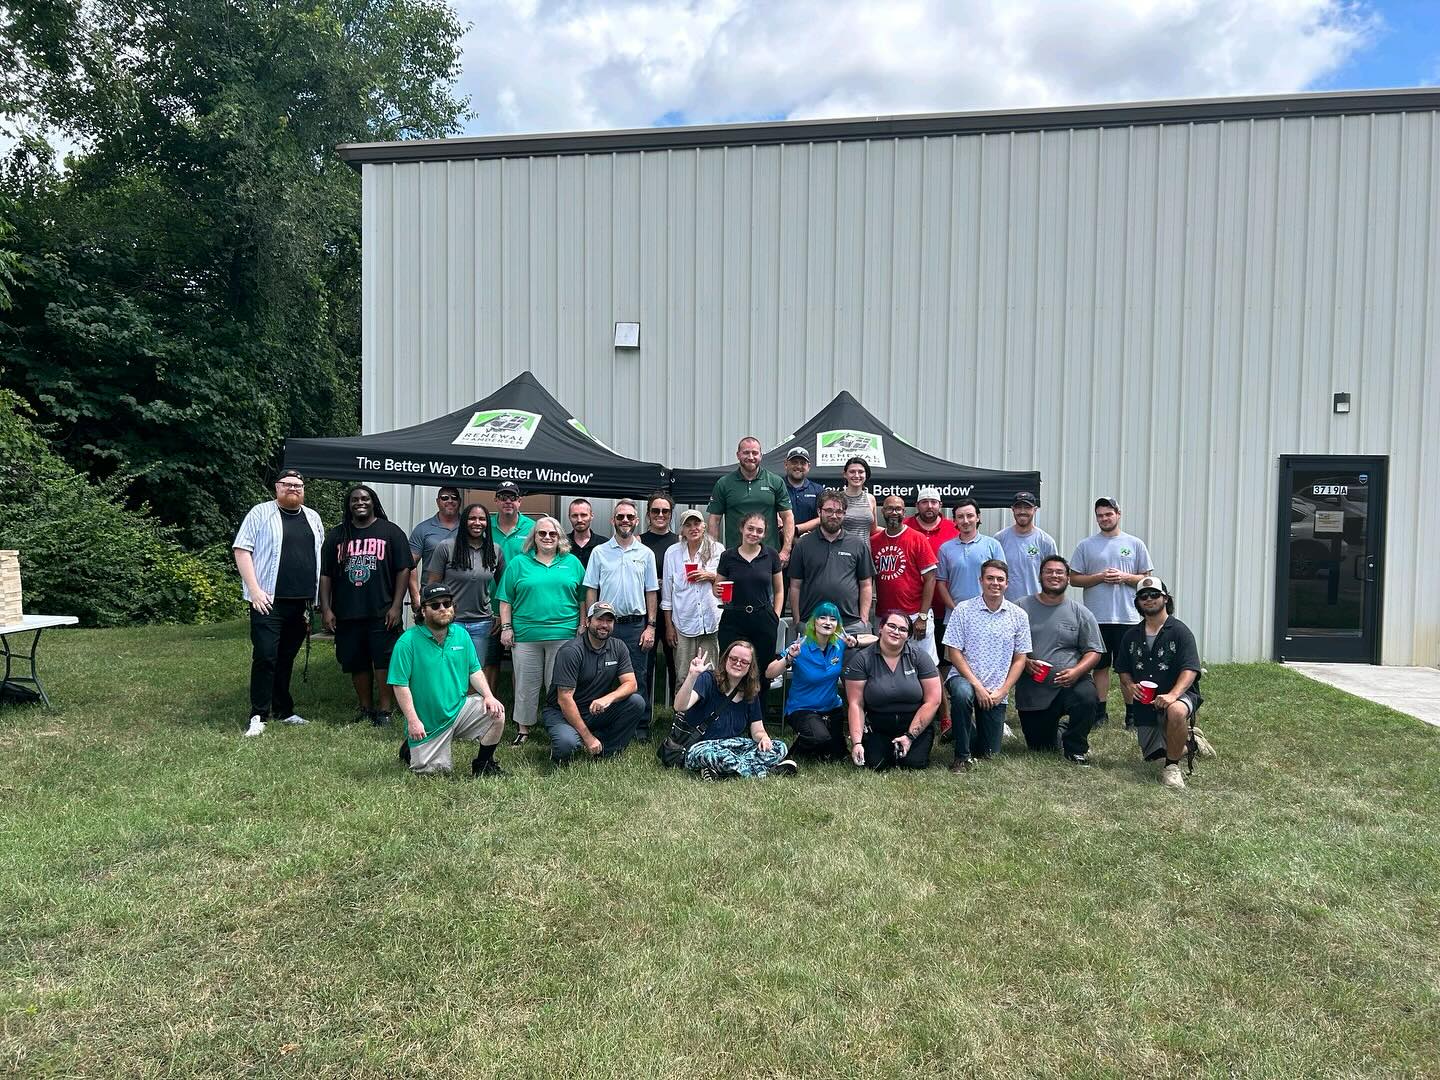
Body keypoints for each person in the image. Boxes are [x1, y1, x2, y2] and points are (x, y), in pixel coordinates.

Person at [232, 469, 325, 737]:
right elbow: (242, 549)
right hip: (268, 601)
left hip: (302, 603)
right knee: (265, 656)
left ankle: (284, 710)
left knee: (285, 658)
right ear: (277, 487)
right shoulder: (260, 513)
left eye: (298, 485)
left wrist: (318, 599)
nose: (293, 489)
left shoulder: (312, 517)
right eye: (287, 484)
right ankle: (258, 714)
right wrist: (255, 590)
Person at [319, 485, 414, 727]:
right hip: (347, 612)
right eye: (354, 499)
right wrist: (327, 608)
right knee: (355, 661)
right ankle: (365, 707)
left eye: (365, 498)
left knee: (384, 661)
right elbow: (326, 574)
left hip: (382, 611)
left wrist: (396, 606)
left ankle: (384, 710)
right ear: (348, 505)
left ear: (374, 502)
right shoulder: (337, 535)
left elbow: (404, 568)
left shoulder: (390, 532)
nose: (360, 502)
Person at [391, 582, 507, 777]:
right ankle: (411, 748)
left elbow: (475, 670)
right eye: (435, 606)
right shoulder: (407, 642)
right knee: (435, 773)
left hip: (459, 709)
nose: (443, 609)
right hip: (429, 722)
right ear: (423, 611)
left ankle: (483, 764)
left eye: (447, 603)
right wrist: (413, 721)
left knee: (496, 714)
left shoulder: (461, 635)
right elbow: (400, 685)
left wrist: (488, 696)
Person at [1114, 577, 1216, 790]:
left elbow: (1191, 669)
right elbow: (1123, 669)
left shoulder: (1180, 631)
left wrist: (1173, 695)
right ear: (1138, 602)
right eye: (1143, 596)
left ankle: (1172, 769)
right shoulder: (1131, 636)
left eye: (1154, 595)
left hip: (1179, 694)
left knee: (1177, 712)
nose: (1149, 599)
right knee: (1154, 755)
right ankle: (1191, 741)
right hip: (1146, 701)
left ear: (1165, 598)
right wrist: (1130, 686)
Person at [495, 517, 585, 746]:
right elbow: (505, 600)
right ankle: (523, 729)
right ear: (533, 537)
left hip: (563, 634)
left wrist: (583, 624)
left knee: (559, 685)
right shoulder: (518, 563)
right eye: (542, 533)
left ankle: (557, 727)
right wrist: (506, 628)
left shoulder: (572, 562)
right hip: (526, 635)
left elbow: (584, 598)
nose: (547, 537)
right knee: (526, 684)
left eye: (552, 534)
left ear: (560, 538)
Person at [1069, 497, 1154, 727]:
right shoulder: (1086, 545)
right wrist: (1099, 577)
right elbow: (1074, 579)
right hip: (1096, 617)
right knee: (1100, 666)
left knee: (1128, 669)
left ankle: (1132, 713)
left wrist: (1125, 578)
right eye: (1100, 515)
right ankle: (1100, 712)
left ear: (1118, 514)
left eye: (1108, 514)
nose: (1104, 519)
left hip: (1128, 617)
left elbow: (1147, 580)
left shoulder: (1135, 543)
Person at [942, 559, 1031, 771]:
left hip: (996, 690)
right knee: (963, 695)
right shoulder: (964, 610)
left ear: (1007, 584)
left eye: (1000, 579)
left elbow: (1020, 658)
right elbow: (953, 651)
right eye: (990, 578)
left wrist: (1003, 690)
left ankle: (961, 728)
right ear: (980, 580)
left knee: (989, 752)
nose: (995, 583)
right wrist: (977, 686)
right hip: (964, 679)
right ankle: (961, 758)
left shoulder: (1018, 615)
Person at [1014, 556, 1103, 765]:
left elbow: (1094, 651)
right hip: (1033, 690)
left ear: (1068, 577)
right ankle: (1060, 729)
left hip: (1070, 684)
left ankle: (1075, 748)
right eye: (1049, 571)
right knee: (1041, 748)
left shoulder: (1081, 613)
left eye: (1059, 572)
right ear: (1040, 576)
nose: (1054, 575)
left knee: (1087, 697)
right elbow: (1006, 645)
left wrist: (1077, 672)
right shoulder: (1020, 608)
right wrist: (1025, 662)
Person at [583, 499, 660, 739]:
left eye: (629, 517)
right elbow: (591, 589)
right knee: (601, 677)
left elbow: (651, 591)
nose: (625, 520)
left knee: (638, 676)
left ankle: (640, 726)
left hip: (636, 626)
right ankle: (603, 722)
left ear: (637, 521)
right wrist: (589, 620)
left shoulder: (645, 553)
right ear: (612, 520)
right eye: (620, 517)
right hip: (606, 625)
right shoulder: (600, 552)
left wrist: (651, 626)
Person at [764, 602, 872, 761]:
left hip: (832, 708)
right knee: (819, 738)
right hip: (802, 709)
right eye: (822, 617)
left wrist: (855, 641)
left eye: (833, 619)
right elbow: (769, 672)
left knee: (836, 755)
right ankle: (790, 759)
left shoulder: (840, 644)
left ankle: (820, 746)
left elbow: (875, 638)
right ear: (814, 623)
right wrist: (789, 657)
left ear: (837, 625)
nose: (828, 622)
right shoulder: (800, 646)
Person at [541, 601, 646, 763]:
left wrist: (608, 698)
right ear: (588, 622)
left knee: (636, 701)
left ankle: (606, 751)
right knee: (566, 745)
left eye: (609, 621)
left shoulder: (618, 647)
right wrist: (588, 738)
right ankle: (579, 740)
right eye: (599, 619)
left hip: (594, 709)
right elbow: (564, 699)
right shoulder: (571, 651)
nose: (604, 625)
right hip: (562, 712)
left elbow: (631, 684)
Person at [674, 641, 795, 779]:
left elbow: (757, 731)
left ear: (750, 667)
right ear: (725, 659)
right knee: (714, 756)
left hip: (733, 746)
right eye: (733, 659)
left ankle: (720, 771)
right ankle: (764, 771)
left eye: (744, 662)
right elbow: (679, 706)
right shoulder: (707, 680)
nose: (738, 664)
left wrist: (765, 738)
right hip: (701, 747)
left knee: (780, 747)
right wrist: (692, 676)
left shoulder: (751, 692)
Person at [842, 611, 943, 770]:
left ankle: (909, 743)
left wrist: (910, 736)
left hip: (914, 724)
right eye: (892, 626)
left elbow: (933, 700)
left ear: (908, 636)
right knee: (876, 765)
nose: (896, 632)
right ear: (881, 628)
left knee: (913, 764)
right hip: (879, 725)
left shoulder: (920, 657)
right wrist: (857, 743)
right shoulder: (861, 659)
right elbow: (856, 704)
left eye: (902, 629)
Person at [787, 490, 875, 634]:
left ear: (844, 514)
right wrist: (798, 620)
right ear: (819, 511)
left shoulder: (858, 544)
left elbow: (866, 584)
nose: (834, 515)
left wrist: (863, 619)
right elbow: (795, 586)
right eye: (829, 510)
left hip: (850, 624)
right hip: (811, 623)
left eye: (839, 511)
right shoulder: (803, 544)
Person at [426, 502, 502, 669]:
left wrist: (501, 615)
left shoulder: (494, 550)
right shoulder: (446, 547)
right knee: (449, 669)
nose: (477, 522)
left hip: (482, 623)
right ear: (463, 521)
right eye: (472, 518)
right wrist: (432, 616)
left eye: (482, 519)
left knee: (475, 671)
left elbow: (505, 587)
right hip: (451, 621)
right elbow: (432, 586)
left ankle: (473, 697)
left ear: (487, 523)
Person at [870, 495, 939, 660]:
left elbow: (931, 579)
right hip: (884, 616)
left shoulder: (917, 538)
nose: (894, 512)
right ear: (883, 511)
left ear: (904, 512)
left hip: (914, 616)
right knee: (886, 663)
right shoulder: (873, 541)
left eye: (898, 509)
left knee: (925, 667)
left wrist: (922, 617)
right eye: (890, 508)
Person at [707, 435, 795, 563]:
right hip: (735, 557)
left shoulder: (775, 481)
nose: (751, 457)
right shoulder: (724, 483)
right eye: (746, 453)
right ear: (738, 455)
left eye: (755, 453)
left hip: (768, 557)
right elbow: (714, 520)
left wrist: (786, 551)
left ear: (761, 455)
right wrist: (713, 553)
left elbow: (788, 517)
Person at [661, 509, 723, 678]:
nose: (693, 528)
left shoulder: (717, 549)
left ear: (704, 526)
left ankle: (708, 705)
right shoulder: (672, 553)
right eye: (688, 525)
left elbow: (727, 583)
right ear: (682, 530)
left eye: (697, 524)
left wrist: (710, 576)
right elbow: (667, 596)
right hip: (684, 623)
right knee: (683, 676)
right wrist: (669, 627)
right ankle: (682, 705)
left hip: (711, 622)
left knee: (710, 675)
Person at [715, 512, 784, 659]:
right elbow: (717, 588)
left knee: (763, 668)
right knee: (730, 666)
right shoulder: (727, 556)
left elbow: (779, 590)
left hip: (763, 619)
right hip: (733, 619)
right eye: (750, 528)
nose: (754, 533)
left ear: (764, 534)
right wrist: (718, 591)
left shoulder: (771, 555)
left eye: (759, 531)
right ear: (742, 528)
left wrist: (775, 617)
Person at [488, 480, 536, 688]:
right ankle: (488, 708)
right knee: (489, 659)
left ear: (520, 502)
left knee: (521, 662)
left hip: (521, 606)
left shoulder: (532, 528)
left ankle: (519, 709)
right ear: (496, 501)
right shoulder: (484, 525)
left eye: (512, 497)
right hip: (489, 604)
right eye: (503, 497)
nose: (508, 501)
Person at [935, 498, 1005, 632]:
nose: (965, 521)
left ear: (978, 517)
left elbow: (1001, 580)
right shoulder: (945, 549)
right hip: (956, 618)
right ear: (954, 521)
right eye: (960, 517)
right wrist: (956, 610)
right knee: (955, 653)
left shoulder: (992, 545)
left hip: (988, 616)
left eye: (970, 516)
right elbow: (941, 584)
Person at [640, 491, 680, 710]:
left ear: (671, 514)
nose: (660, 514)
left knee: (676, 665)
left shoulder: (679, 542)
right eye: (655, 510)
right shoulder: (639, 542)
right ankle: (642, 715)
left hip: (674, 614)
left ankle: (678, 714)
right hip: (645, 613)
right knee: (644, 666)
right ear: (648, 514)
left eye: (665, 511)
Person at [994, 491, 1058, 603]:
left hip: (1036, 606)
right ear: (1012, 509)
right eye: (1018, 507)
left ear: (1035, 509)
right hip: (1006, 606)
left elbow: (1053, 576)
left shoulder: (1046, 542)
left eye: (1027, 507)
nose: (1022, 511)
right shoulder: (999, 539)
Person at [406, 486, 461, 617]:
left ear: (459, 501)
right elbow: (409, 564)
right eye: (445, 498)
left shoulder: (469, 526)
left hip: (462, 596)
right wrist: (415, 596)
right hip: (432, 597)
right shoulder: (423, 529)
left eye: (454, 498)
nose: (450, 501)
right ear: (437, 501)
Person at [783, 447, 825, 539]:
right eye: (794, 462)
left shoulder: (818, 490)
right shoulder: (777, 486)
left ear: (808, 467)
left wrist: (797, 529)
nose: (798, 466)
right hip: (779, 541)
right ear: (786, 464)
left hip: (810, 542)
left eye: (803, 463)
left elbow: (823, 516)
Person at [840, 457, 878, 540]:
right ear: (845, 474)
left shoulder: (871, 499)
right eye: (852, 472)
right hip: (842, 550)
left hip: (865, 551)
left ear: (866, 475)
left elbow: (873, 530)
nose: (856, 475)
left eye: (861, 472)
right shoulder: (838, 499)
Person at [565, 497, 608, 570]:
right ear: (569, 517)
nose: (579, 520)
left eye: (583, 515)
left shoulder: (604, 544)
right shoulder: (562, 543)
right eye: (575, 515)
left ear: (591, 516)